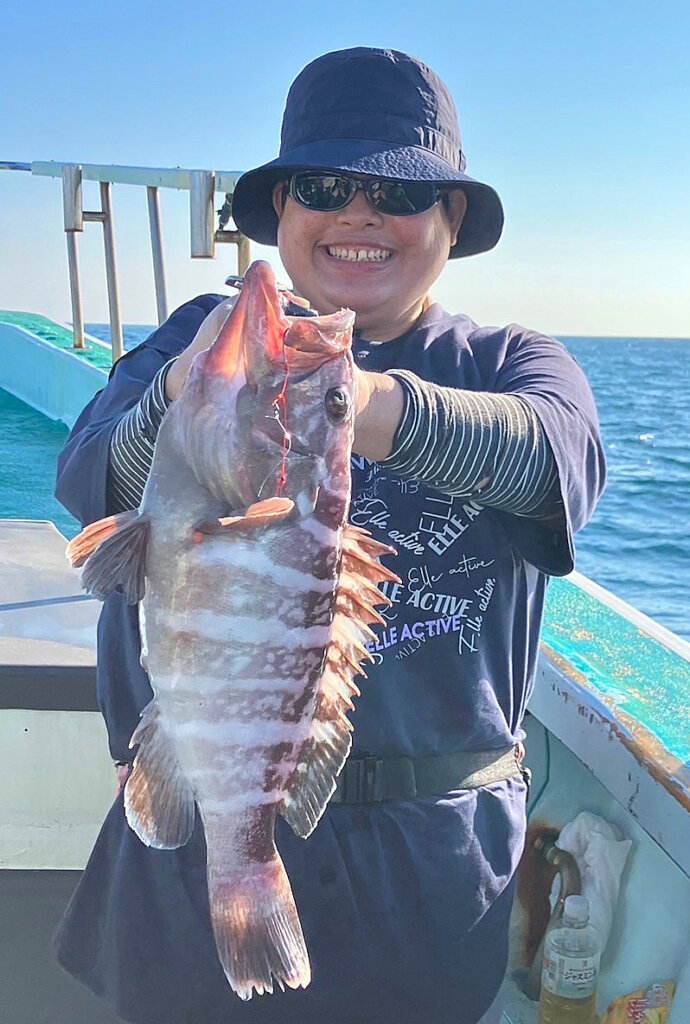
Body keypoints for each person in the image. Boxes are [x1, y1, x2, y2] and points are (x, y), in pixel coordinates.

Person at [54, 47, 605, 1024]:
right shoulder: (198, 339)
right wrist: (192, 398)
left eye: (397, 189)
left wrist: (360, 403)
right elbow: (88, 474)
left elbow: (556, 465)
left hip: (431, 872)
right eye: (324, 185)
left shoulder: (512, 362)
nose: (359, 212)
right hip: (188, 853)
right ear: (283, 214)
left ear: (452, 220)